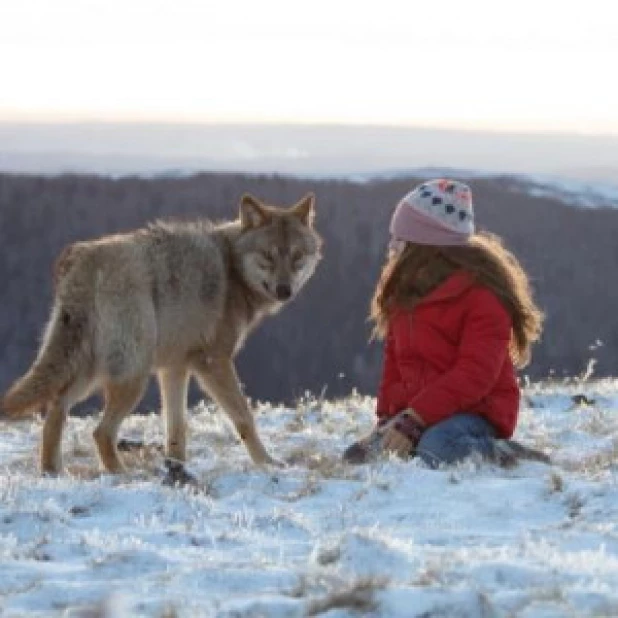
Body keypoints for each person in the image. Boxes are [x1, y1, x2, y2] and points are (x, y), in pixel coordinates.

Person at [344, 179, 544, 467]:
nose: (392, 248)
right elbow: (396, 362)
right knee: (359, 458)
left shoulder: (482, 297)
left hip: (474, 413)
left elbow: (474, 374)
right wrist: (388, 420)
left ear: (427, 247)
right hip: (420, 414)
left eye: (401, 240)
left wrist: (414, 418)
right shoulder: (406, 293)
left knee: (437, 449)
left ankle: (508, 455)